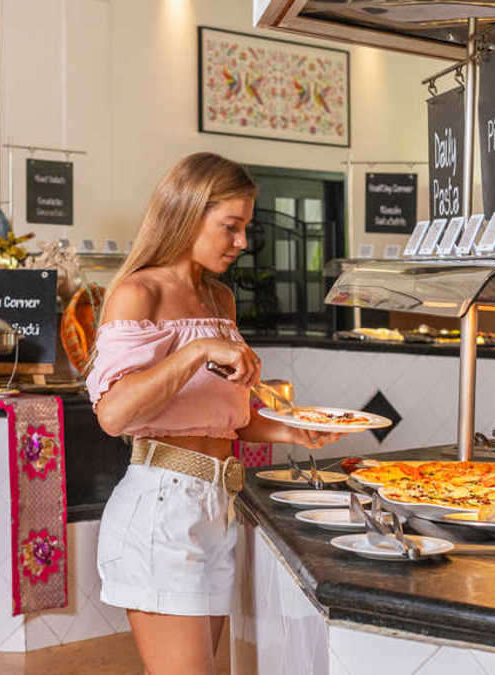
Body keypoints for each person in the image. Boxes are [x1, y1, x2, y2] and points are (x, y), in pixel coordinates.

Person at [86, 152, 340, 673]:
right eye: (230, 226)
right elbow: (113, 414)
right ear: (187, 213)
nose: (241, 242)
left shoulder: (219, 299)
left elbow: (229, 417)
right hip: (160, 508)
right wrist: (197, 350)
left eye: (245, 228)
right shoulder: (139, 293)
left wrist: (297, 430)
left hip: (219, 506)